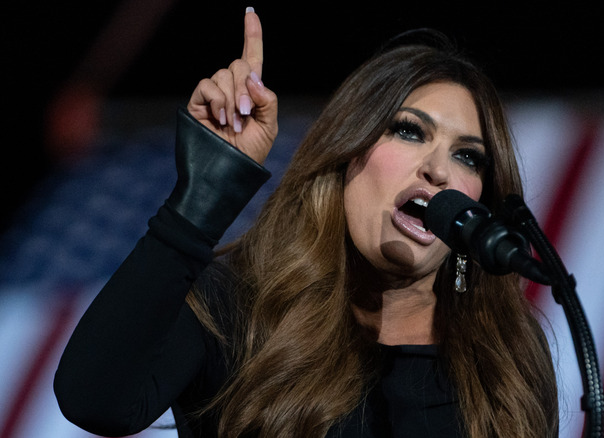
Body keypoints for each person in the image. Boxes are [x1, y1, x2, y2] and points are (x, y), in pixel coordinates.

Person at [54, 7, 559, 438]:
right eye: (409, 131)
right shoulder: (238, 307)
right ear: (346, 152)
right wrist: (203, 196)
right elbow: (94, 399)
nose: (439, 170)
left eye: (468, 157)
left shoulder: (508, 351)